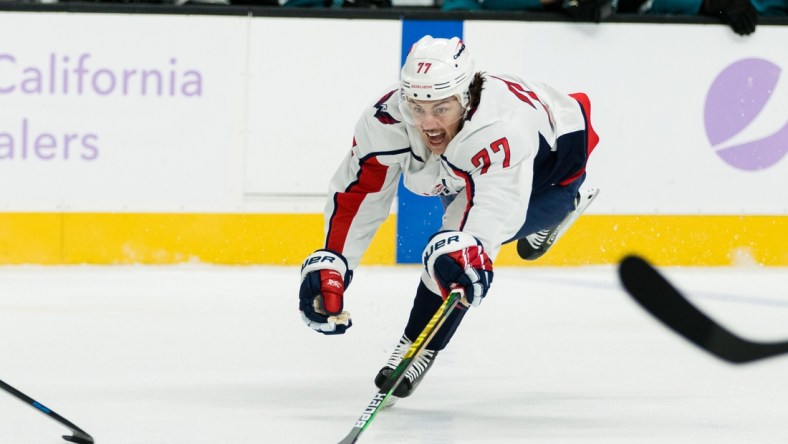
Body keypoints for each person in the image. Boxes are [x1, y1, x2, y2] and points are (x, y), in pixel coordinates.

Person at [298, 36, 599, 404]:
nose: (427, 123)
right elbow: (359, 193)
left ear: (466, 99)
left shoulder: (500, 128)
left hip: (554, 169)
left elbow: (479, 229)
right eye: (417, 108)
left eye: (441, 109)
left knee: (456, 253)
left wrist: (463, 255)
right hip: (470, 165)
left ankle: (416, 348)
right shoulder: (386, 120)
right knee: (453, 246)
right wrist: (335, 261)